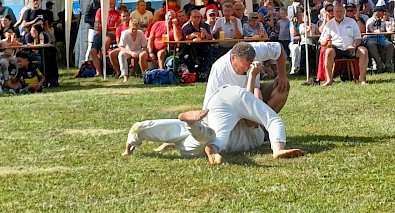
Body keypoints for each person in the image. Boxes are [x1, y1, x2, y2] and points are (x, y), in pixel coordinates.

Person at [123, 62, 303, 164]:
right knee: (210, 139)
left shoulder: (235, 86)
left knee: (194, 136)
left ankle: (137, 133)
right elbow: (252, 122)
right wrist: (276, 147)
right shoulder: (251, 102)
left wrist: (168, 144)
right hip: (238, 132)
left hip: (219, 103)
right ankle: (199, 134)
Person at [205, 42, 289, 114]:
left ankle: (264, 126)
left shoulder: (258, 49)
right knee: (256, 96)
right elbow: (211, 102)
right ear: (232, 58)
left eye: (249, 66)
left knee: (281, 87)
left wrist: (282, 75)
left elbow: (279, 48)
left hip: (254, 94)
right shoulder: (220, 70)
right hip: (234, 105)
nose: (246, 70)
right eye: (242, 67)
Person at [319, 4, 368, 86]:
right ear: (333, 13)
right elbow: (321, 41)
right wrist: (326, 39)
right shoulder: (329, 25)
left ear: (344, 12)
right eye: (337, 11)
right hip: (336, 49)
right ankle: (329, 79)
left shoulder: (352, 22)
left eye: (341, 11)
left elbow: (358, 38)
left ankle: (362, 78)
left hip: (351, 48)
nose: (339, 13)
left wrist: (354, 45)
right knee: (328, 52)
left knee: (363, 51)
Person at [90, 0, 120, 76]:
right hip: (100, 33)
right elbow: (97, 25)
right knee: (93, 51)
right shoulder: (100, 11)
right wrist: (107, 27)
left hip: (110, 34)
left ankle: (106, 69)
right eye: (110, 3)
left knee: (104, 47)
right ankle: (99, 72)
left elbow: (116, 27)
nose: (112, 5)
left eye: (113, 3)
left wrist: (104, 27)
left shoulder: (117, 14)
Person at [181, 9, 213, 76]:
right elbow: (183, 38)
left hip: (203, 47)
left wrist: (206, 34)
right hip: (190, 48)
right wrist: (192, 35)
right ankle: (193, 73)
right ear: (190, 18)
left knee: (210, 53)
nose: (196, 19)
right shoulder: (186, 26)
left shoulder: (205, 26)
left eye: (198, 17)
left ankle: (201, 72)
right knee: (187, 57)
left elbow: (211, 37)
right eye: (194, 17)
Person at [365, 6, 394, 73]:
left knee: (390, 45)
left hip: (381, 38)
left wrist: (389, 30)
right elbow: (370, 28)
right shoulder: (370, 20)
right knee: (371, 44)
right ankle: (379, 64)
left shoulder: (382, 21)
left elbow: (386, 29)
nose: (384, 13)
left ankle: (388, 65)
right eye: (382, 12)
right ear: (377, 12)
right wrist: (375, 31)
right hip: (371, 37)